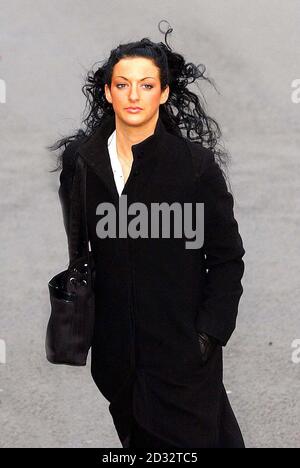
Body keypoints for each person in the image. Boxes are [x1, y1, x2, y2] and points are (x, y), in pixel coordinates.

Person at [49, 22, 246, 449]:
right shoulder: (82, 164)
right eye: (122, 84)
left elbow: (227, 258)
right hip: (118, 359)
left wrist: (208, 334)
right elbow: (83, 249)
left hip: (183, 356)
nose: (133, 95)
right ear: (107, 92)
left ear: (164, 93)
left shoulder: (194, 168)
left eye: (146, 84)